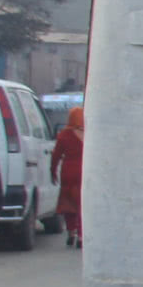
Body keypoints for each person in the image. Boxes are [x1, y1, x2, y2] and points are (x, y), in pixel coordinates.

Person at [51, 105, 84, 247]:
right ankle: (82, 236)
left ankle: (71, 233)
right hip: (84, 171)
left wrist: (52, 171)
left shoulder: (64, 134)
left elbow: (56, 155)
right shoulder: (90, 134)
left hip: (68, 172)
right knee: (82, 204)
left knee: (69, 203)